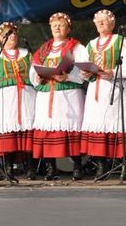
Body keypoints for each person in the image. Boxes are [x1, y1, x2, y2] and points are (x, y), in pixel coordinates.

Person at [80, 10, 126, 180]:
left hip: (116, 88)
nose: (101, 23)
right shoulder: (91, 44)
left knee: (118, 123)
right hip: (96, 90)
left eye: (104, 21)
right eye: (98, 21)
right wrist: (85, 74)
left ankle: (125, 164)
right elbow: (83, 68)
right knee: (98, 124)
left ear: (112, 24)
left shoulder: (120, 40)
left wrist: (113, 72)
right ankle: (101, 165)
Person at [30, 12, 87, 180]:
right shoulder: (43, 49)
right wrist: (38, 77)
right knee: (48, 131)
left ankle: (77, 167)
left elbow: (84, 72)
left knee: (70, 129)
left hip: (67, 95)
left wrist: (67, 76)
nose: (57, 27)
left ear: (68, 28)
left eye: (61, 25)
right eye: (54, 25)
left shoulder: (76, 47)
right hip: (47, 95)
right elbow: (33, 71)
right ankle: (50, 168)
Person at [0, 22, 36, 179]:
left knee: (27, 129)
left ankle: (30, 168)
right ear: (0, 37)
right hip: (5, 98)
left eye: (13, 34)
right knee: (8, 132)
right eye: (7, 34)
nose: (11, 37)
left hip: (26, 96)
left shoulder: (27, 54)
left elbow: (35, 75)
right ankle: (8, 168)